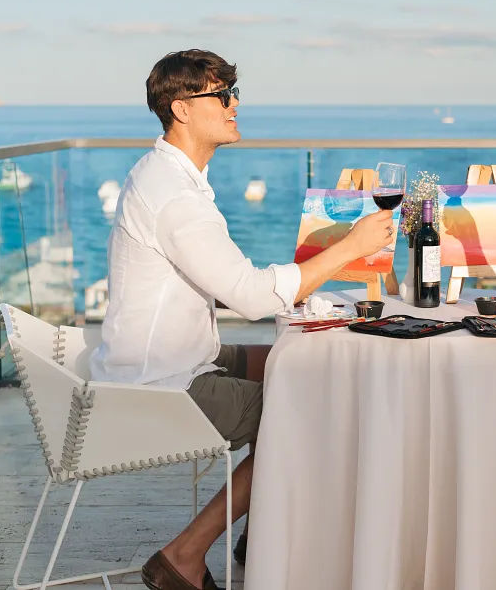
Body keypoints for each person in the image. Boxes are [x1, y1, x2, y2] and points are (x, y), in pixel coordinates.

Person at [90, 49, 393, 590]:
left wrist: (279, 288)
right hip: (162, 381)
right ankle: (183, 555)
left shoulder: (168, 177)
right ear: (182, 108)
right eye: (221, 95)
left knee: (294, 363)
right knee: (306, 409)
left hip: (170, 356)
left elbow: (226, 284)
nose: (233, 106)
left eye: (233, 94)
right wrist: (350, 247)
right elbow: (252, 299)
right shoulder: (175, 197)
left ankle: (263, 527)